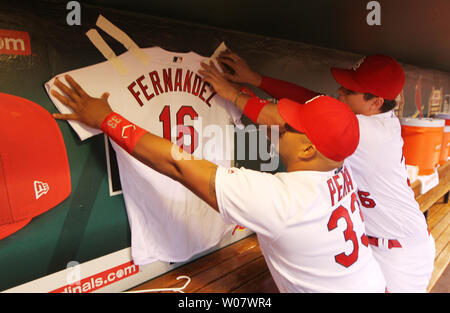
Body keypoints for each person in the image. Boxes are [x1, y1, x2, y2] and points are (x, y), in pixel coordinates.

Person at [51, 73, 386, 293]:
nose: (280, 124)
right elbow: (281, 120)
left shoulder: (283, 199)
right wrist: (238, 92)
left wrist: (105, 119)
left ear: (309, 148)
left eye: (290, 126)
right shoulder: (340, 165)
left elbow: (176, 164)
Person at [211, 50, 436, 292]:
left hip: (399, 254)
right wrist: (256, 79)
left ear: (375, 103)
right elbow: (313, 100)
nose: (340, 91)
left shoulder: (368, 132)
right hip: (385, 241)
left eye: (349, 90)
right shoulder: (373, 117)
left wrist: (234, 95)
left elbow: (279, 117)